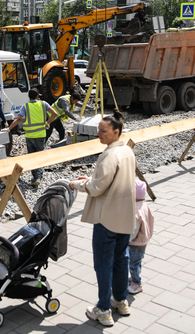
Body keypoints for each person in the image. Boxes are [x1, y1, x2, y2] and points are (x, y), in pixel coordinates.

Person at [68, 110, 136, 327]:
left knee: (103, 264)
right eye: (98, 130)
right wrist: (90, 177)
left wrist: (78, 184)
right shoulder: (127, 152)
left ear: (116, 132)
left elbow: (97, 188)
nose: (99, 134)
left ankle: (104, 309)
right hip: (125, 217)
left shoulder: (108, 155)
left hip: (107, 218)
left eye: (103, 131)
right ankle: (121, 301)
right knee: (121, 260)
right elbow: (110, 180)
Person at [8, 88, 57, 187]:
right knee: (39, 155)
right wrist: (48, 123)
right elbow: (54, 114)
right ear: (37, 96)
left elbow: (18, 119)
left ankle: (36, 175)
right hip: (41, 135)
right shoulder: (44, 104)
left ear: (28, 96)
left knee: (32, 156)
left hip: (30, 135)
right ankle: (38, 175)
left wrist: (9, 129)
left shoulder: (25, 107)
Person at [128, 178, 154, 294]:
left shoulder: (135, 211)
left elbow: (133, 231)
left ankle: (136, 283)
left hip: (136, 242)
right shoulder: (144, 206)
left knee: (133, 263)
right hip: (143, 239)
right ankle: (134, 277)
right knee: (136, 262)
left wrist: (124, 240)